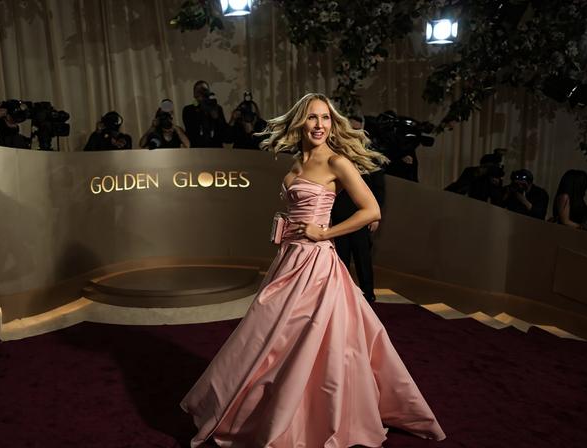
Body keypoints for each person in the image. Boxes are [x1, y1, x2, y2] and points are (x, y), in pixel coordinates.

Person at [181, 93, 446, 447]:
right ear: (300, 123)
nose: (319, 125)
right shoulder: (295, 163)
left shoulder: (337, 162)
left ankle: (310, 415)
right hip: (288, 260)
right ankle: (264, 406)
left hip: (317, 264)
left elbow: (371, 211)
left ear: (332, 123)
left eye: (325, 118)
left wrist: (326, 232)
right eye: (312, 118)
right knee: (269, 337)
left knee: (308, 339)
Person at [332, 113, 388, 303]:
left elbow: (379, 190)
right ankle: (341, 295)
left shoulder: (371, 157)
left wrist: (375, 216)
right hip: (339, 215)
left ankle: (368, 294)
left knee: (363, 256)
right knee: (341, 258)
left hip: (362, 216)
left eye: (357, 130)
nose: (354, 134)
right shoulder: (336, 156)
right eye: (350, 130)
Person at [182, 80, 228, 148]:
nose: (201, 93)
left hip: (216, 149)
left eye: (204, 90)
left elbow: (223, 132)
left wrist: (215, 115)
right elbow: (191, 131)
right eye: (198, 91)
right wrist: (202, 109)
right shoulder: (188, 110)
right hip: (197, 150)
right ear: (194, 94)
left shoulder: (217, 108)